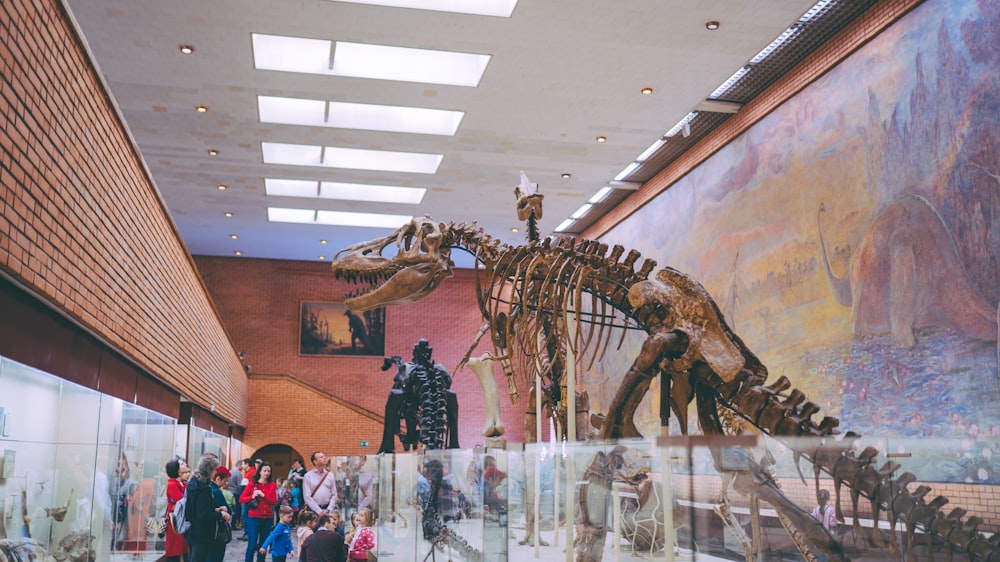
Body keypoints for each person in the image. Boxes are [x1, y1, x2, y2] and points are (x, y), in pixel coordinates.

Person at [185, 454, 232, 562]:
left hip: (192, 531)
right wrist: (221, 514)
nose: (216, 472)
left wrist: (216, 509)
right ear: (209, 470)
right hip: (202, 534)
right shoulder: (204, 489)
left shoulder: (193, 483)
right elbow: (203, 515)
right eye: (215, 469)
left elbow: (197, 509)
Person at [241, 461, 278, 562]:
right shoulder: (252, 484)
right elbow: (241, 499)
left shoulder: (272, 484)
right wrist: (252, 496)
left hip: (267, 518)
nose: (267, 473)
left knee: (263, 546)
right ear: (260, 472)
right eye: (265, 470)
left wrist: (263, 496)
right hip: (254, 517)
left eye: (269, 471)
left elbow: (274, 502)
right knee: (252, 545)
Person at [164, 459, 189, 562]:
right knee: (174, 550)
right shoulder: (172, 484)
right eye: (182, 464)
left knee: (184, 549)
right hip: (176, 521)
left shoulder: (183, 483)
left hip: (183, 519)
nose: (185, 464)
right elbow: (182, 501)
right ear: (177, 470)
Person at [228, 460, 245, 530]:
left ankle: (229, 524)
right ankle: (233, 524)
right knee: (236, 509)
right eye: (242, 466)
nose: (243, 468)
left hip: (229, 492)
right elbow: (239, 485)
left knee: (230, 508)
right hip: (236, 493)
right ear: (239, 465)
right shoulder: (238, 473)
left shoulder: (230, 472)